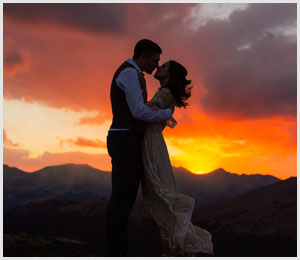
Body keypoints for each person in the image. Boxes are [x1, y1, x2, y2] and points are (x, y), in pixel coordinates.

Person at [105, 39, 174, 256]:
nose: (156, 65)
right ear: (142, 56)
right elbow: (138, 111)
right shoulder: (128, 74)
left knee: (124, 200)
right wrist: (167, 115)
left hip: (128, 139)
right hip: (125, 140)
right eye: (154, 60)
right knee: (121, 201)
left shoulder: (134, 74)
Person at [141, 60, 215, 256]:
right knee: (160, 197)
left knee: (159, 197)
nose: (158, 68)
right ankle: (171, 249)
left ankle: (171, 249)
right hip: (156, 142)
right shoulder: (168, 94)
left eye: (163, 67)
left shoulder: (165, 94)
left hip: (151, 144)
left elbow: (143, 114)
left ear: (170, 74)